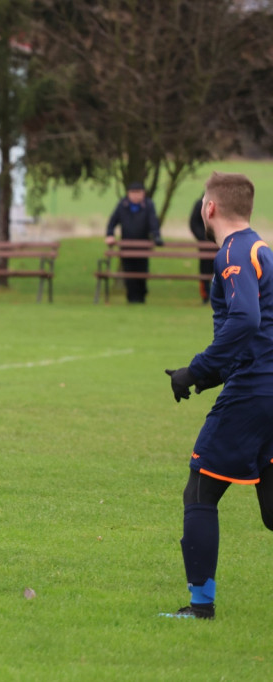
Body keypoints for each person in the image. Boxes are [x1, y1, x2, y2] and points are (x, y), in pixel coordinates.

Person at [163, 172, 273, 620]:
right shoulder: (259, 247)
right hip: (266, 386)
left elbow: (246, 321)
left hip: (254, 392)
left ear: (209, 208)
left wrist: (199, 368)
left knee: (200, 490)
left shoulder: (233, 252)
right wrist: (203, 379)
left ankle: (200, 607)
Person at [105, 181, 162, 303]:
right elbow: (112, 221)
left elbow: (153, 222)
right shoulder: (122, 205)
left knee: (142, 272)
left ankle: (141, 296)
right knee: (129, 273)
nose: (136, 195)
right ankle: (132, 299)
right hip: (126, 247)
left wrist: (156, 236)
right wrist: (110, 234)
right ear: (128, 194)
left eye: (138, 193)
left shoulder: (148, 205)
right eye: (133, 193)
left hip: (143, 246)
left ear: (143, 194)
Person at [189, 195, 215, 304]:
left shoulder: (225, 203)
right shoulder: (200, 204)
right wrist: (203, 238)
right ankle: (205, 296)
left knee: (223, 271)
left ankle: (221, 297)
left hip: (222, 244)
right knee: (204, 271)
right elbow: (194, 223)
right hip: (205, 246)